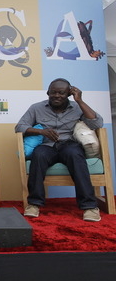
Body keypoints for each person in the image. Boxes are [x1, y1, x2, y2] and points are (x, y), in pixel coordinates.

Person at [15, 78, 103, 222]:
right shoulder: (36, 108)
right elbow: (19, 127)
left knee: (75, 154)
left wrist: (80, 100)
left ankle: (90, 206)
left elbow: (97, 123)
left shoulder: (77, 107)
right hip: (47, 146)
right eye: (53, 92)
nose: (57, 96)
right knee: (39, 155)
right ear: (48, 92)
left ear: (68, 93)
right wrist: (41, 132)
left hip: (68, 145)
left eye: (61, 93)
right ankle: (34, 204)